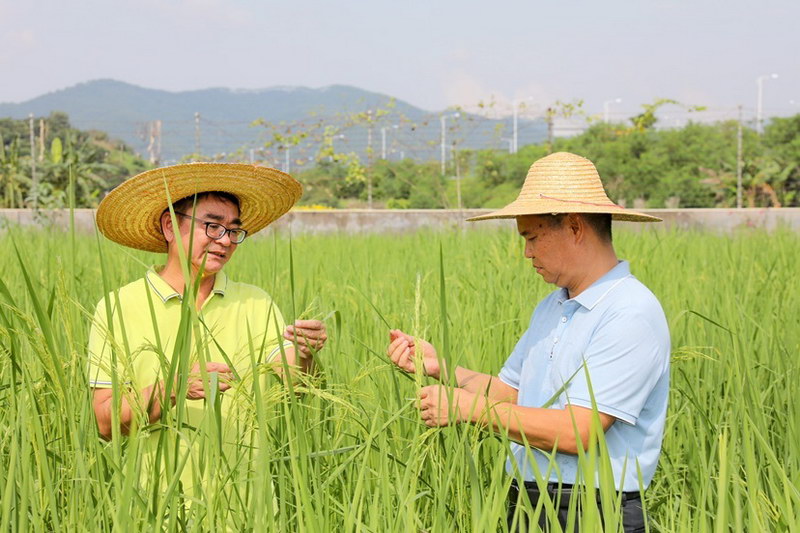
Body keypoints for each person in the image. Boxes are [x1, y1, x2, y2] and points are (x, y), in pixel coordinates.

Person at [386, 152, 670, 532]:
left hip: (592, 511)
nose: (527, 252)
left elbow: (578, 432)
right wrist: (441, 368)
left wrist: (468, 409)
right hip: (527, 499)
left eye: (533, 237)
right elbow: (514, 392)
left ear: (574, 227)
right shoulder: (553, 307)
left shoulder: (629, 311)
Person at [87, 162, 327, 493]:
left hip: (247, 507)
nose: (225, 241)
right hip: (157, 508)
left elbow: (295, 386)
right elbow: (105, 421)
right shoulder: (119, 307)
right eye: (212, 226)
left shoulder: (255, 303)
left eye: (233, 230)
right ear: (170, 226)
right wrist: (174, 386)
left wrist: (306, 353)